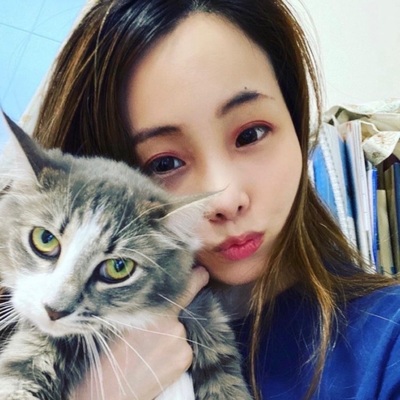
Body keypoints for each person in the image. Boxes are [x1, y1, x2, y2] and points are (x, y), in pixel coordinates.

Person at [16, 0, 399, 399]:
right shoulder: (37, 332)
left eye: (250, 134)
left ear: (295, 119)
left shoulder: (387, 345)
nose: (226, 198)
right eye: (164, 163)